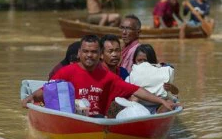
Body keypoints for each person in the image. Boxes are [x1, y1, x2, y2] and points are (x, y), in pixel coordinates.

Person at [21, 35, 179, 117]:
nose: (89, 55)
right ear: (79, 53)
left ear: (99, 55)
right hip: (75, 118)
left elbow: (135, 90)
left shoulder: (107, 76)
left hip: (99, 119)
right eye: (86, 51)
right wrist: (31, 97)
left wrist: (160, 101)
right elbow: (48, 89)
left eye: (94, 52)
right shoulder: (66, 72)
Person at [127, 44, 179, 113]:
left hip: (158, 107)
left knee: (169, 102)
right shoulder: (130, 77)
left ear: (152, 61)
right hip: (140, 108)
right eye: (139, 60)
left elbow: (176, 92)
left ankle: (159, 117)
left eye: (145, 61)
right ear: (134, 61)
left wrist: (171, 88)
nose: (143, 64)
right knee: (134, 98)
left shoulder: (161, 74)